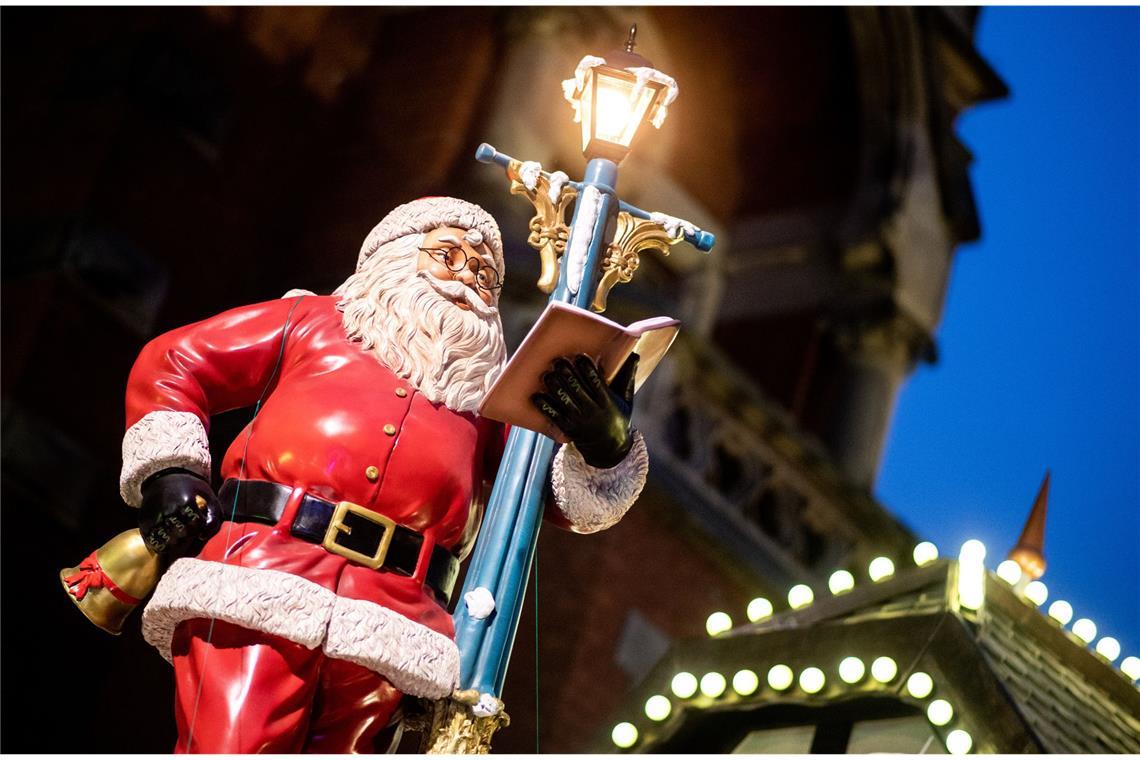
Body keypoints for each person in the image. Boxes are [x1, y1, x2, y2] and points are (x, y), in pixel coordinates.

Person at [120, 197, 648, 753]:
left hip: (389, 627)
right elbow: (177, 361)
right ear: (398, 255)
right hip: (262, 578)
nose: (467, 276)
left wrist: (603, 447)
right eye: (448, 254)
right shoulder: (314, 321)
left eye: (485, 273)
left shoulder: (488, 400)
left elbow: (550, 498)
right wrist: (171, 470)